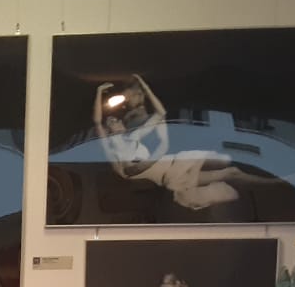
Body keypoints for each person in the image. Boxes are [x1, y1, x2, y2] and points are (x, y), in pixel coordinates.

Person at [95, 75, 277, 212]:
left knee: (226, 163)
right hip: (174, 177)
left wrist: (145, 86)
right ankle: (275, 183)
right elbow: (130, 168)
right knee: (231, 172)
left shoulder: (133, 138)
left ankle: (271, 173)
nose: (117, 121)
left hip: (178, 163)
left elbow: (160, 113)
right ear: (109, 131)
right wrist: (160, 151)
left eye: (116, 119)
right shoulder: (116, 155)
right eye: (112, 121)